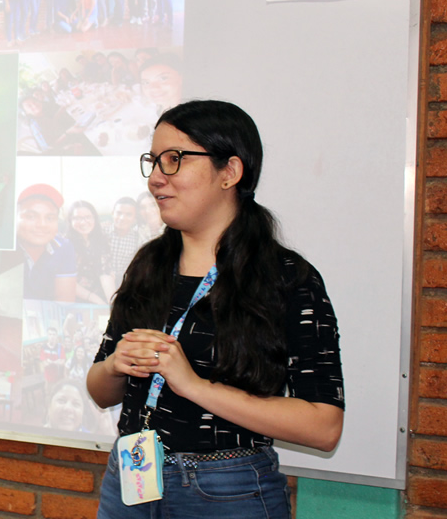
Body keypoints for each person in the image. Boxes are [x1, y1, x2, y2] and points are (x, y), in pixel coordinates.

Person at [87, 100, 344, 518]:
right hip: (129, 479)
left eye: (174, 160)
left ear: (230, 172)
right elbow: (99, 392)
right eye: (153, 161)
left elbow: (324, 427)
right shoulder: (149, 266)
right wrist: (116, 364)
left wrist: (194, 386)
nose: (155, 178)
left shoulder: (287, 278)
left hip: (228, 490)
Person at [17, 184, 76, 302]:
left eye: (49, 218)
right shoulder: (3, 246)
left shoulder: (63, 247)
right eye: (31, 216)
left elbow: (64, 301)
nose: (41, 225)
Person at [65, 200, 113, 304]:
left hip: (100, 297)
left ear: (95, 219)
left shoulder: (102, 240)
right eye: (77, 218)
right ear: (70, 220)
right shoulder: (65, 245)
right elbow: (68, 282)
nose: (83, 222)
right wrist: (97, 300)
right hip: (76, 300)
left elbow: (105, 273)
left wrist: (112, 301)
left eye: (88, 217)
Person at [104, 196, 141, 285]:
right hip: (102, 280)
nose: (122, 218)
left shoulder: (137, 238)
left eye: (128, 214)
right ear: (112, 213)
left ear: (135, 218)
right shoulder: (102, 233)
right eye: (119, 213)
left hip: (125, 283)